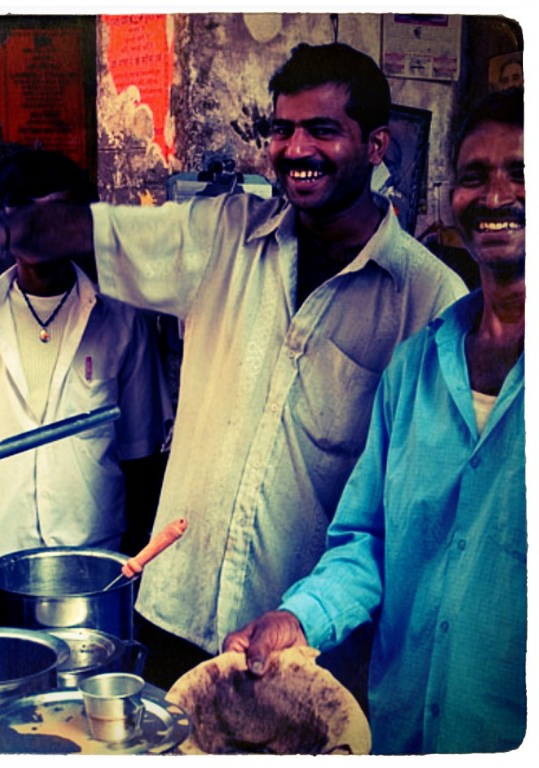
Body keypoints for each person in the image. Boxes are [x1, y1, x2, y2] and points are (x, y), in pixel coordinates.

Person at [0, 43, 467, 688]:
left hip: (305, 642)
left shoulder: (430, 301)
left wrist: (323, 617)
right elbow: (103, 232)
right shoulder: (224, 235)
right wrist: (0, 227)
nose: (296, 149)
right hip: (174, 609)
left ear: (376, 146)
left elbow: (412, 517)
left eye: (322, 130)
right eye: (282, 129)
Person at [224, 87, 525, 754]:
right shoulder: (418, 367)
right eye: (475, 175)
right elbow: (369, 541)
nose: (498, 195)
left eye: (522, 172)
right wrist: (300, 616)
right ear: (453, 199)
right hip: (401, 737)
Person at [0, 149, 170, 578]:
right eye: (25, 213)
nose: (41, 232)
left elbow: (141, 459)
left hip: (97, 568)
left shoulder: (121, 320)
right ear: (3, 221)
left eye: (58, 215)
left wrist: (136, 572)